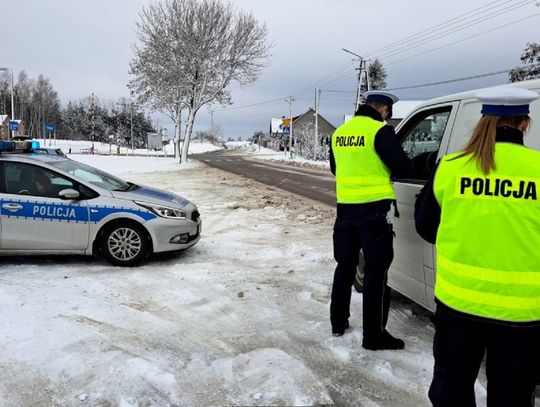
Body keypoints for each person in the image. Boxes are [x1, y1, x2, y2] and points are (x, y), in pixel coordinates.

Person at [415, 87, 540, 406]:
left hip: (458, 308)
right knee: (512, 397)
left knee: (451, 390)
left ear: (484, 120)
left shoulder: (452, 167)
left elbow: (426, 227)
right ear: (525, 123)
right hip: (523, 314)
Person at [329, 90, 411, 350]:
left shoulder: (340, 133)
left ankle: (338, 322)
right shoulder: (380, 131)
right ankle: (374, 335)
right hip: (375, 213)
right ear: (384, 110)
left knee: (345, 266)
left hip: (345, 211)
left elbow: (335, 169)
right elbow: (402, 167)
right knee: (376, 273)